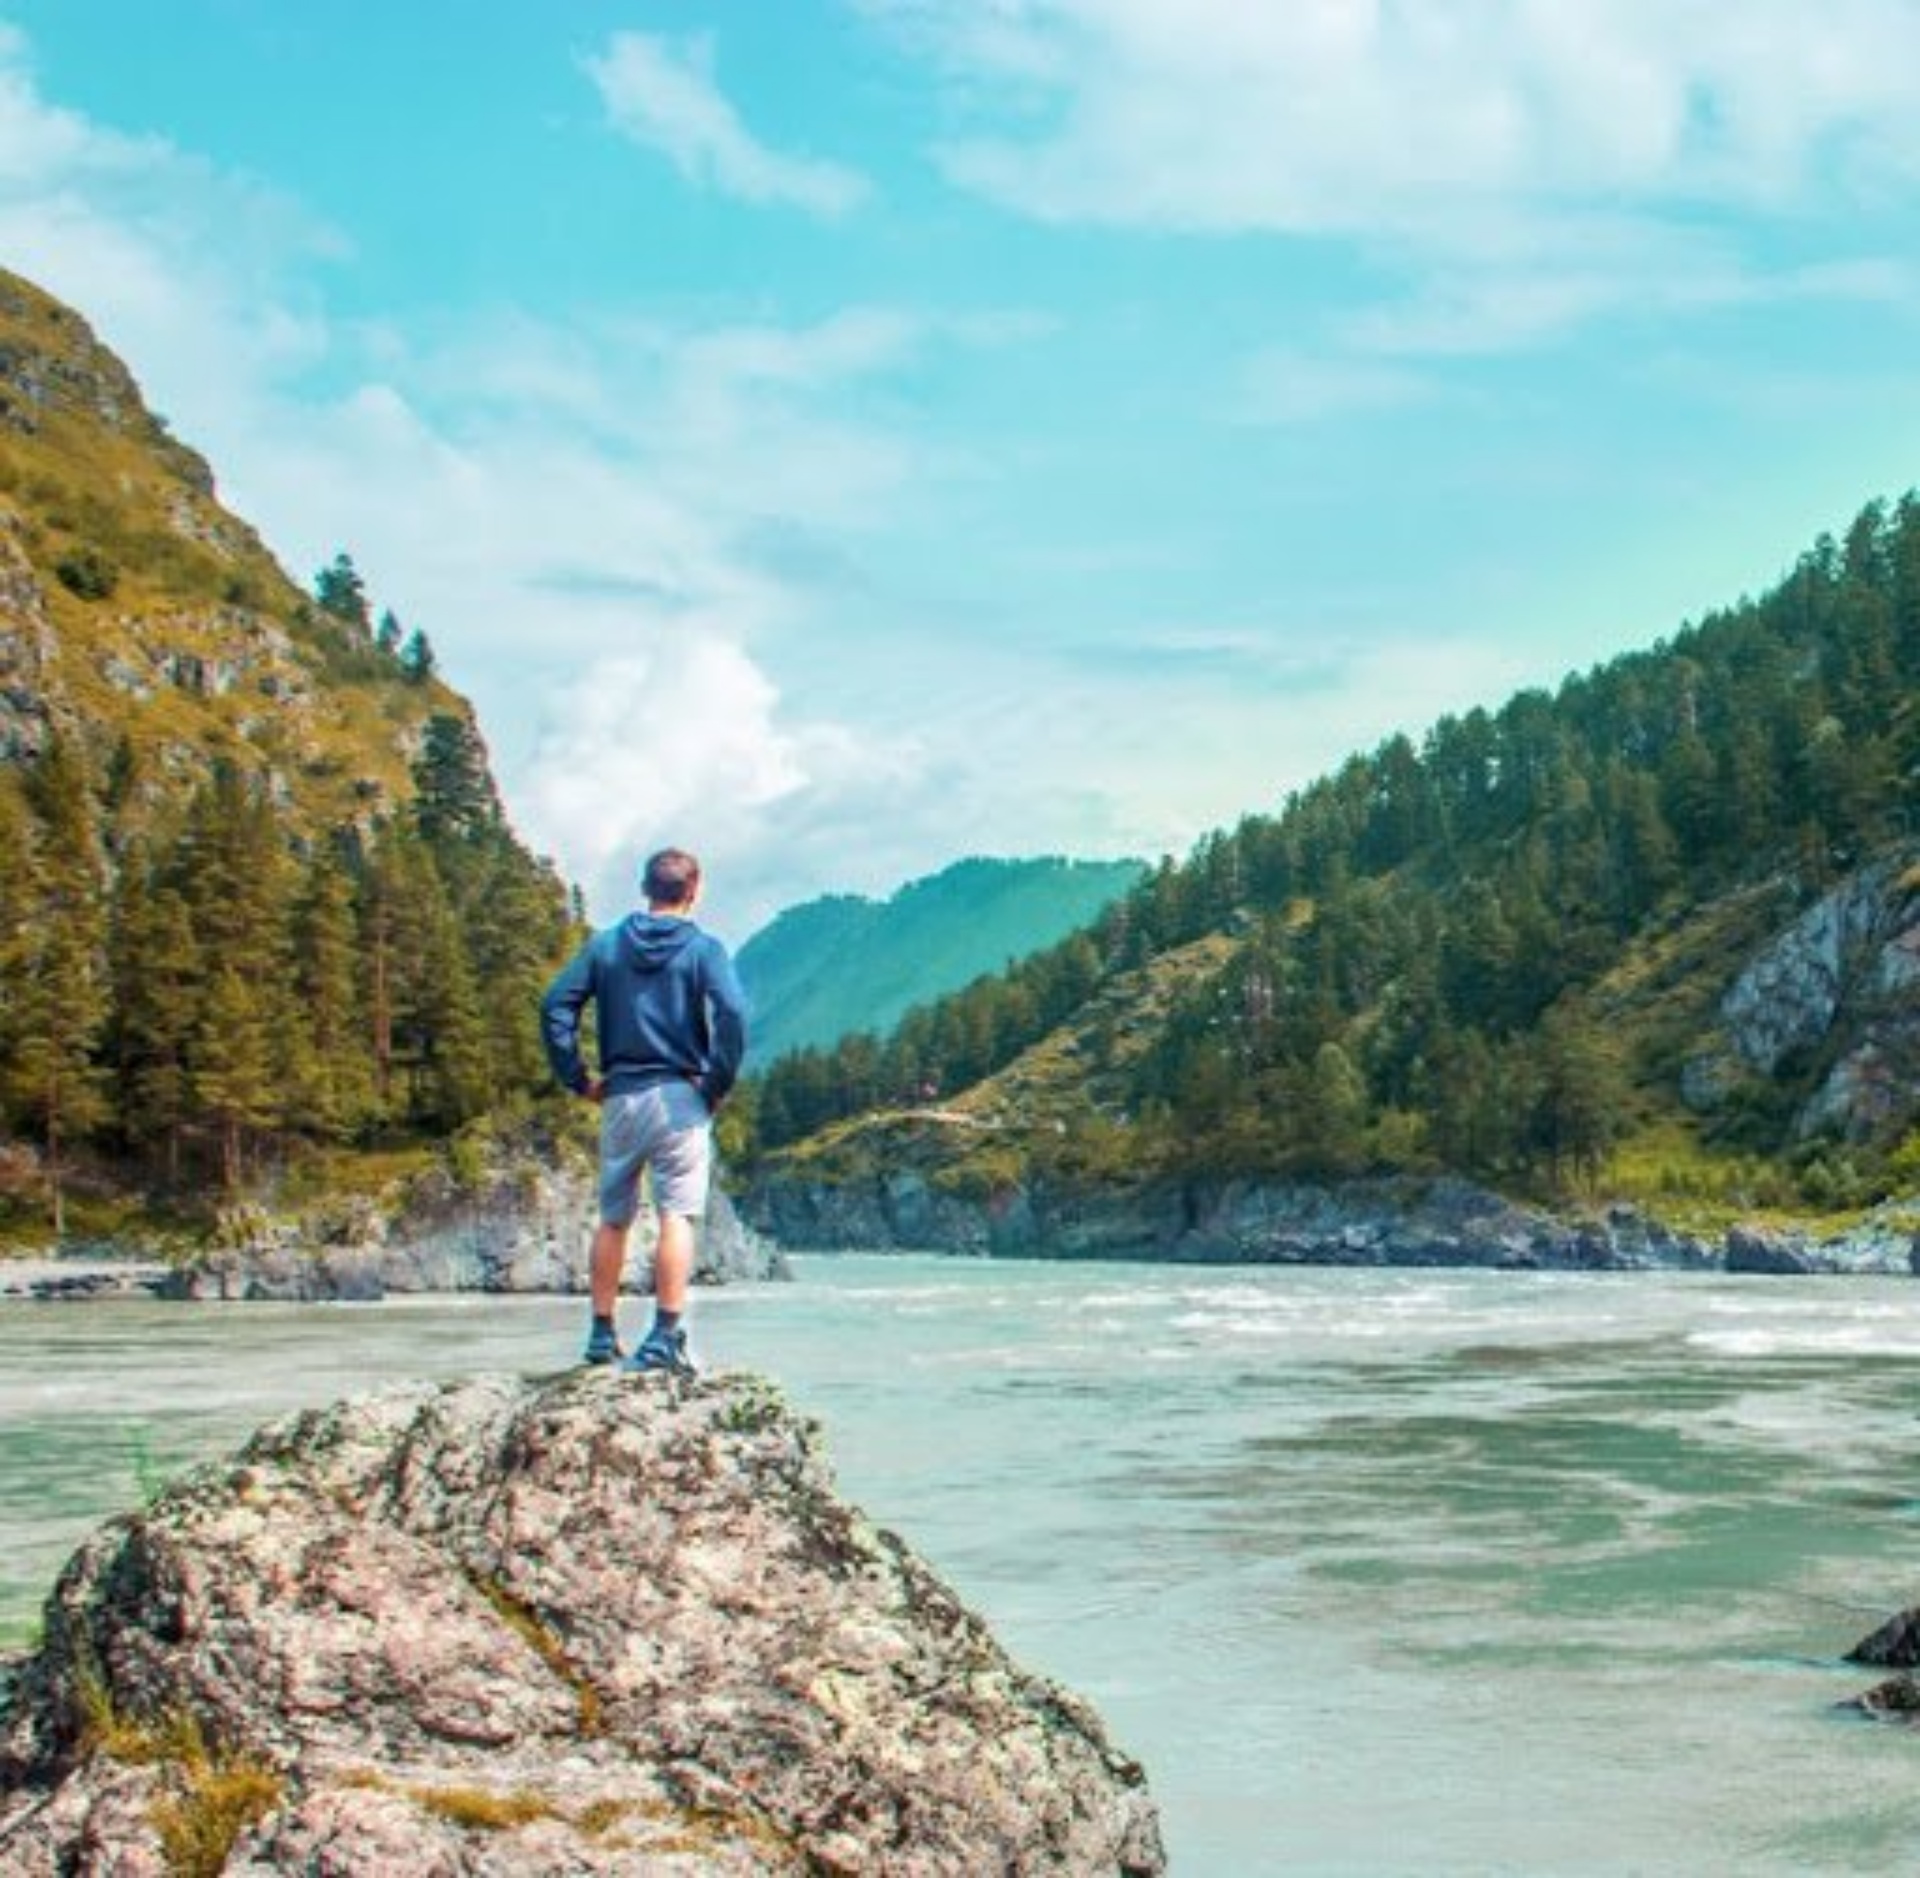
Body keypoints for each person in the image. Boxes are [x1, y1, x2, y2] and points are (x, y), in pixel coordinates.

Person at [540, 847, 748, 1374]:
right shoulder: (703, 949)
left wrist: (578, 1078)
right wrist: (717, 1082)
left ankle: (601, 1332)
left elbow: (555, 1005)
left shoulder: (607, 946)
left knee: (614, 1219)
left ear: (645, 888)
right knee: (676, 1213)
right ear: (694, 889)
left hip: (621, 1096)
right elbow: (732, 1014)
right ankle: (664, 1334)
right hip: (680, 1096)